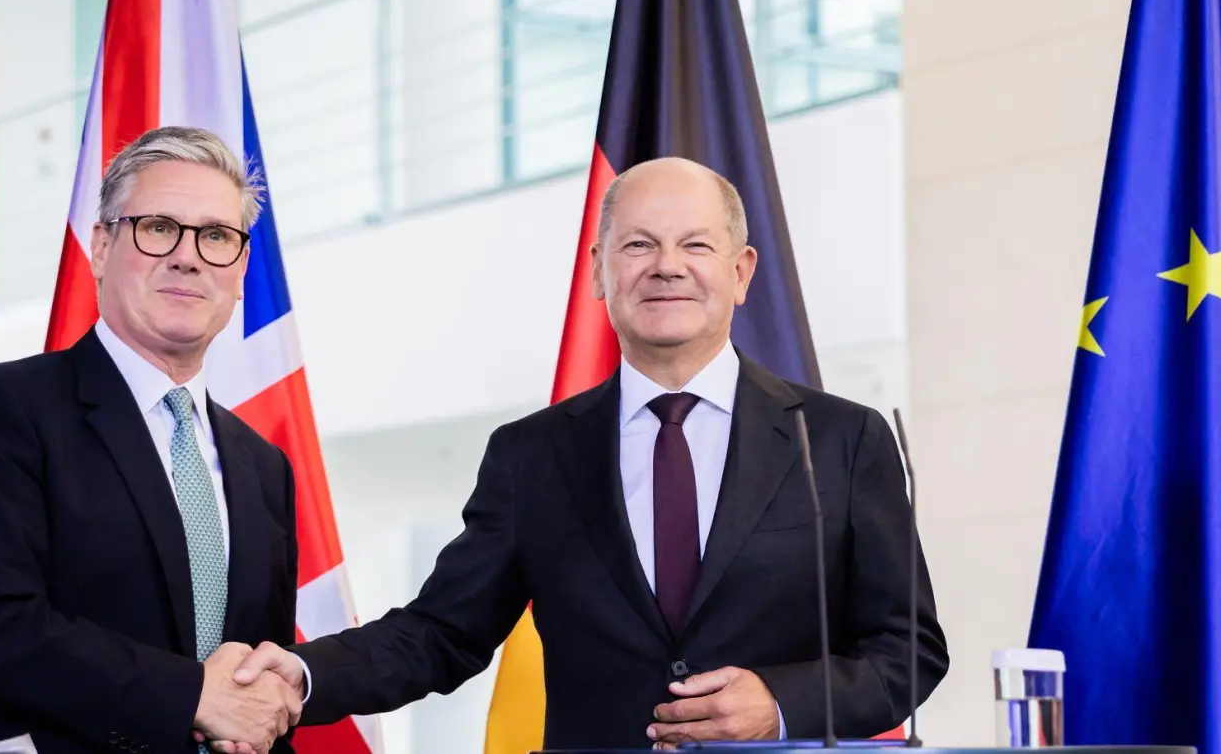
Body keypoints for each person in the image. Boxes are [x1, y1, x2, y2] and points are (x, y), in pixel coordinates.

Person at [230, 157, 948, 749]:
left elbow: (908, 649)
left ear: (741, 271)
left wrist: (780, 703)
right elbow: (440, 632)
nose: (667, 267)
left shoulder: (839, 439)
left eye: (696, 245)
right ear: (601, 270)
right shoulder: (532, 455)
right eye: (639, 244)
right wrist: (301, 676)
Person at [0, 127, 305, 754]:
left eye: (216, 237)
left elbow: (254, 679)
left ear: (240, 270)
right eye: (158, 228)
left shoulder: (265, 466)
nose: (188, 256)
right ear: (100, 247)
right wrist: (188, 695)